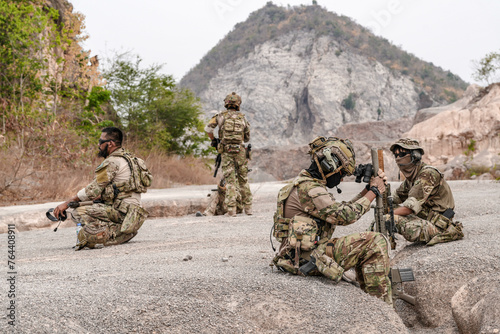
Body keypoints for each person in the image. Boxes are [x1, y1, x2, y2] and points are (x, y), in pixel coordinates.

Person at [271, 136, 393, 306]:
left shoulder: (303, 185)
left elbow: (340, 209)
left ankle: (370, 301)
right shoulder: (311, 190)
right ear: (330, 166)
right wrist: (374, 191)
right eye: (342, 173)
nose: (341, 179)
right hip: (308, 259)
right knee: (374, 241)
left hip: (299, 255)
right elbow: (345, 216)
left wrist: (368, 190)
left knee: (362, 246)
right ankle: (382, 307)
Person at [53, 127, 152, 250]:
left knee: (77, 212)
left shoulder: (112, 161)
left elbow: (92, 190)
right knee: (85, 206)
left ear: (110, 144)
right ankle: (124, 231)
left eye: (100, 141)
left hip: (122, 213)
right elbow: (123, 189)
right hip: (133, 214)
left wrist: (66, 203)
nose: (98, 145)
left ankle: (115, 234)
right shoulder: (133, 160)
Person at [389, 138, 463, 246]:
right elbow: (394, 199)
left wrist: (388, 215)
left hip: (438, 225)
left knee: (390, 218)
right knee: (388, 210)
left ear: (415, 156)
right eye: (396, 155)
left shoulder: (427, 174)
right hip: (427, 218)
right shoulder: (411, 178)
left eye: (403, 154)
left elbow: (409, 208)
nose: (398, 158)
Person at [205, 92, 252, 216]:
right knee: (243, 180)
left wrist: (214, 141)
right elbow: (247, 138)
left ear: (226, 103)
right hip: (240, 151)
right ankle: (248, 209)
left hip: (226, 151)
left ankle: (232, 210)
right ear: (238, 104)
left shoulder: (220, 116)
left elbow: (208, 129)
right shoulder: (243, 118)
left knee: (230, 181)